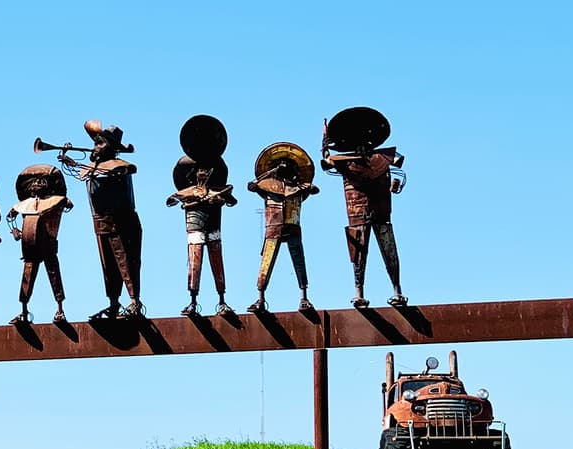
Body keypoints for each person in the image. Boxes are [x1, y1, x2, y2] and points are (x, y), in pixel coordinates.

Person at [320, 106, 408, 307]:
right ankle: (360, 292)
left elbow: (399, 166)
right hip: (358, 215)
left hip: (380, 212)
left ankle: (396, 289)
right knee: (359, 253)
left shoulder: (382, 158)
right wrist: (324, 142)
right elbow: (326, 160)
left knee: (388, 250)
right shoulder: (343, 162)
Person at [58, 120, 143, 319]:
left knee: (127, 263)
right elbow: (85, 173)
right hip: (101, 222)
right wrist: (68, 159)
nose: (95, 147)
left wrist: (79, 163)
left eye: (100, 143)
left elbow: (114, 171)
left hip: (123, 222)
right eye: (95, 142)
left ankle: (134, 302)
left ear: (112, 147)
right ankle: (114, 303)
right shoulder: (92, 168)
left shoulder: (121, 166)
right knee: (108, 267)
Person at [247, 142, 319, 312]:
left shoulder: (300, 188)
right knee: (266, 263)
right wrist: (263, 180)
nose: (285, 168)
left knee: (299, 263)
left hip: (293, 228)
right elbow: (253, 186)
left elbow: (313, 189)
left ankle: (304, 297)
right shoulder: (268, 187)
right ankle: (260, 298)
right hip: (273, 229)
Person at [167, 156, 237, 316]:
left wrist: (218, 198)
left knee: (217, 263)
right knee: (194, 264)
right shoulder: (187, 192)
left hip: (213, 229)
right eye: (200, 170)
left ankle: (221, 299)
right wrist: (191, 200)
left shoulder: (217, 191)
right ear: (194, 173)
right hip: (195, 230)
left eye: (206, 170)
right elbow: (172, 199)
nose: (203, 173)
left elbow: (231, 200)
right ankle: (193, 300)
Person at [6, 164, 71, 324]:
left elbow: (67, 204)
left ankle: (60, 309)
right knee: (27, 278)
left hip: (48, 246)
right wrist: (17, 233)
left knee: (54, 275)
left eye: (42, 182)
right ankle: (24, 310)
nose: (38, 185)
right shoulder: (23, 206)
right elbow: (12, 217)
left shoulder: (56, 201)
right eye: (35, 183)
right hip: (30, 248)